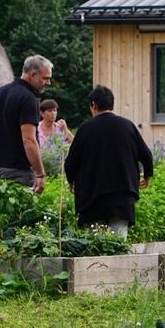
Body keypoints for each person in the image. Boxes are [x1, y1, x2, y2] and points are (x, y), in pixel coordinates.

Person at [64, 84, 153, 237]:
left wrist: (71, 180)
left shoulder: (85, 128)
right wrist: (147, 175)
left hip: (92, 197)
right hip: (122, 194)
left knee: (95, 245)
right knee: (118, 243)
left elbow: (72, 160)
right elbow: (146, 155)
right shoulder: (127, 126)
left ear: (93, 105)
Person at [0, 55, 53, 193]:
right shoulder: (28, 98)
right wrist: (40, 174)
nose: (48, 83)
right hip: (18, 172)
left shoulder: (0, 92)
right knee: (21, 214)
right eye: (46, 78)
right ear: (33, 75)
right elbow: (29, 140)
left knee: (1, 214)